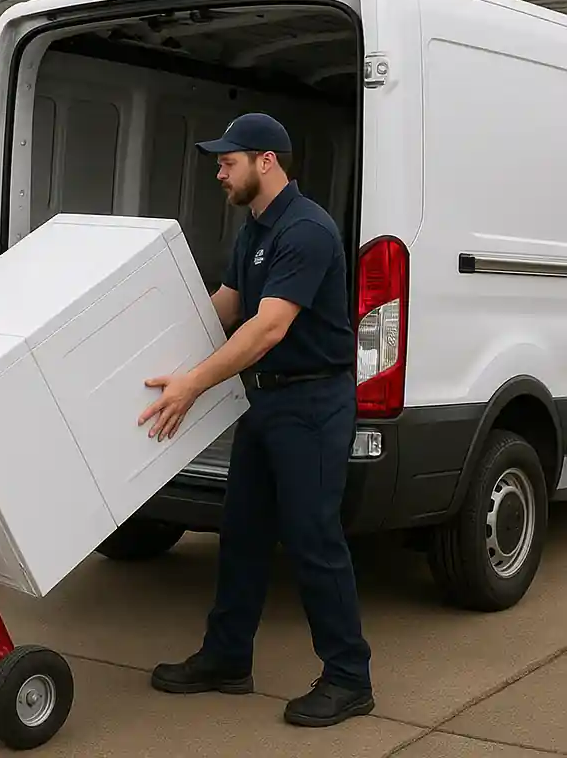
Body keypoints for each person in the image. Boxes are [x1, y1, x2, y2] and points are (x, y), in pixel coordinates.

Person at [138, 112, 373, 728]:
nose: (219, 171)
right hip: (266, 402)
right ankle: (226, 659)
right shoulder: (255, 229)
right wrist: (151, 355)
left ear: (265, 161)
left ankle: (349, 677)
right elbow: (227, 305)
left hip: (313, 405)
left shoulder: (307, 230)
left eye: (227, 161)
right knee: (241, 532)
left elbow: (268, 326)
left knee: (313, 541)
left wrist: (194, 383)